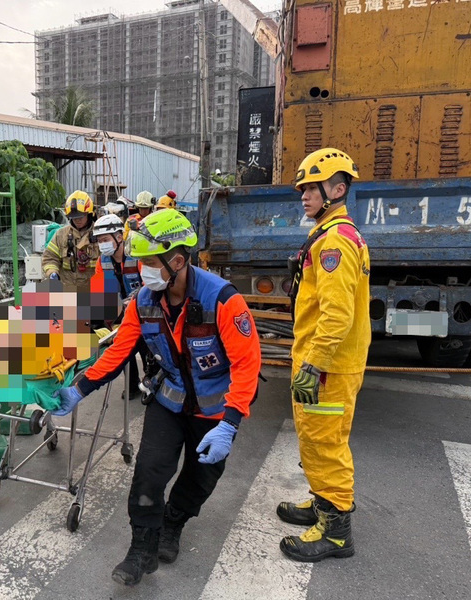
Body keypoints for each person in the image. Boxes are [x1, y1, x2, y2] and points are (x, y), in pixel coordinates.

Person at [53, 209, 261, 586]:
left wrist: (231, 423)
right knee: (149, 472)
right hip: (169, 399)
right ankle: (141, 550)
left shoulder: (222, 300)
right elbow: (119, 352)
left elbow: (247, 363)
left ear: (177, 261)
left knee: (201, 477)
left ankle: (174, 520)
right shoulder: (143, 301)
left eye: (150, 262)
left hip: (215, 410)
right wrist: (79, 389)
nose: (143, 269)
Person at [278, 148, 371, 562]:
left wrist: (313, 366)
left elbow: (337, 315)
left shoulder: (335, 241)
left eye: (312, 188)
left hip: (327, 366)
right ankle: (321, 502)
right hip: (324, 362)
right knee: (315, 437)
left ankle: (335, 533)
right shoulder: (331, 233)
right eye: (302, 189)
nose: (304, 196)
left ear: (337, 189)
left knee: (325, 441)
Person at [92, 213, 144, 395]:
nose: (102, 244)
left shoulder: (137, 255)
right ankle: (132, 385)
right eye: (99, 241)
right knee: (122, 345)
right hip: (120, 311)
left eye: (105, 239)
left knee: (147, 347)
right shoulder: (102, 261)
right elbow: (99, 288)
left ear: (119, 237)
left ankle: (152, 382)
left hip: (143, 307)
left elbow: (148, 283)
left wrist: (134, 300)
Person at [42, 190, 99, 291]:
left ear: (89, 214)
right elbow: (50, 258)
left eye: (81, 216)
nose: (77, 220)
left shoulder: (100, 234)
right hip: (68, 290)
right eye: (74, 217)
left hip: (94, 290)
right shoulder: (61, 235)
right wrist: (52, 272)